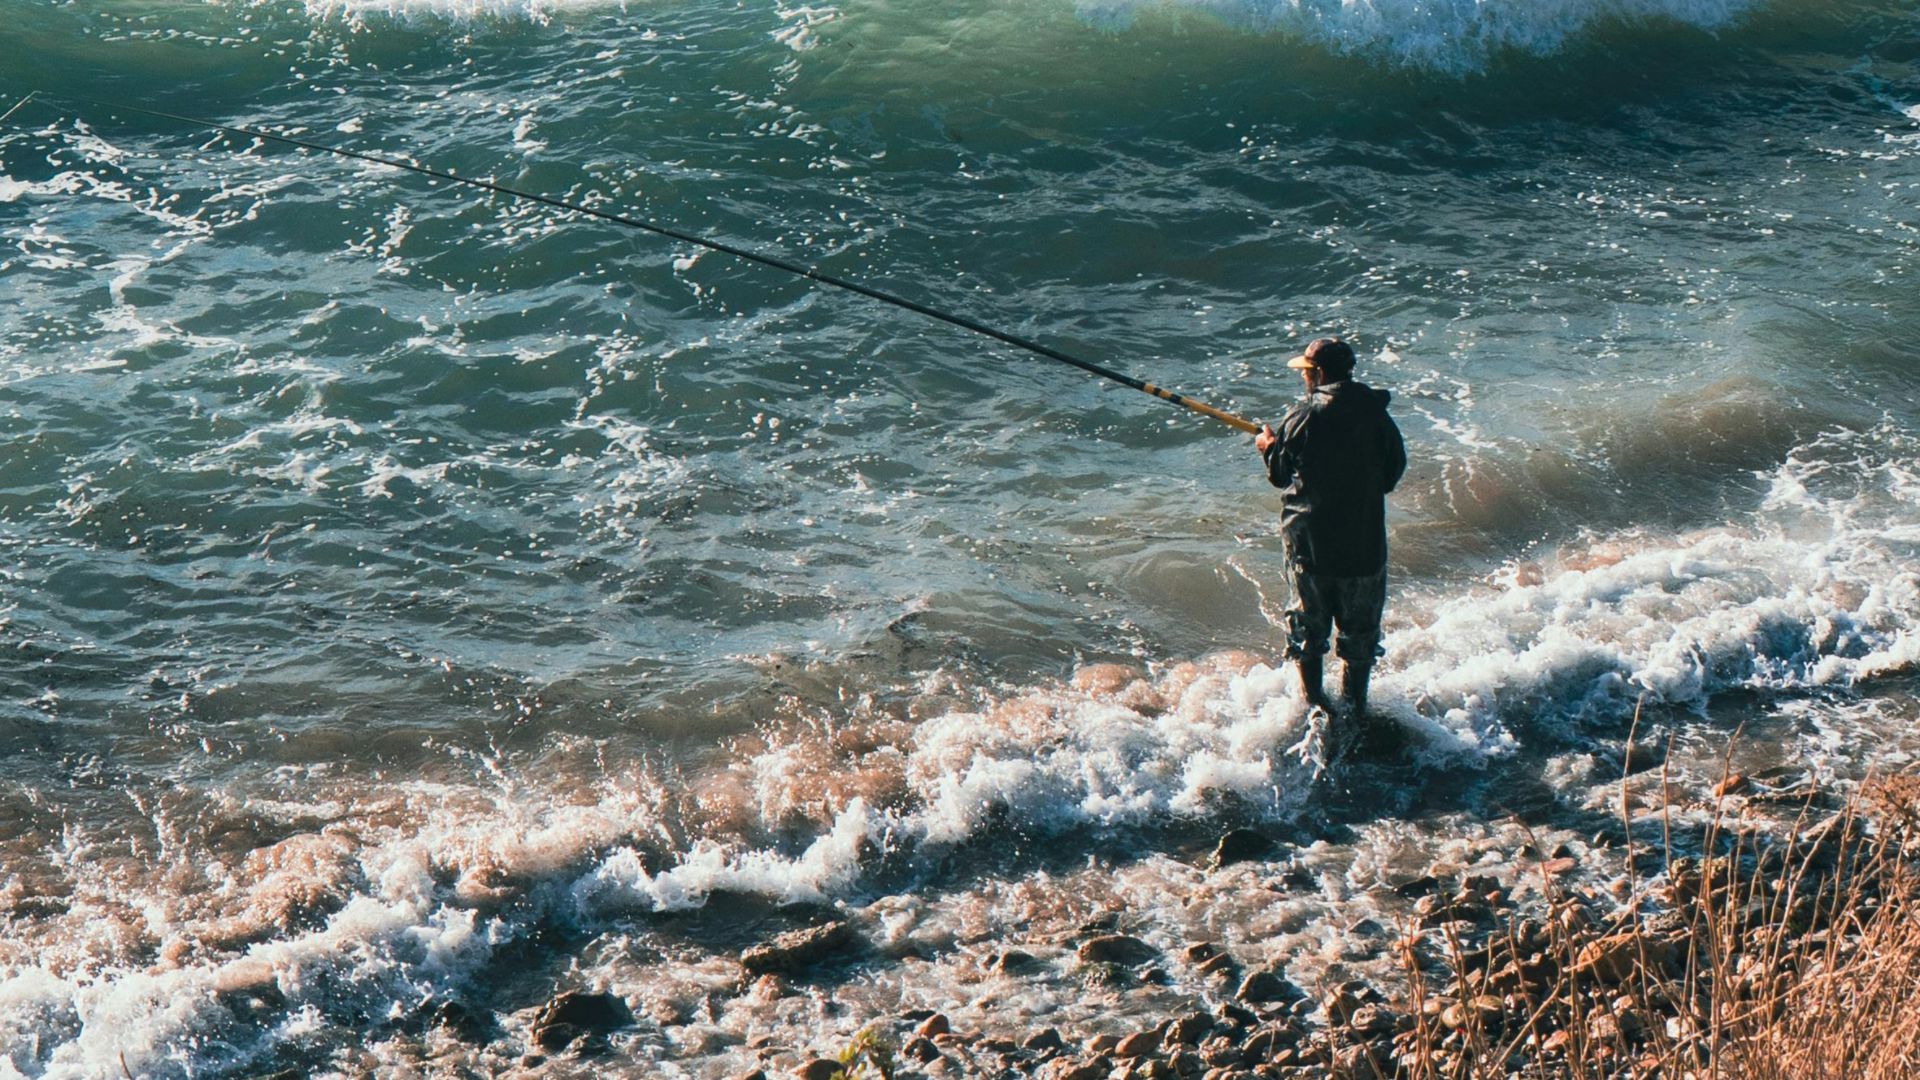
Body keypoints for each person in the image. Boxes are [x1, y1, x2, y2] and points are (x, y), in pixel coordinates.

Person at [1254, 337, 1406, 726]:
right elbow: (1392, 474)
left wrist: (1268, 446)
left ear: (1318, 374)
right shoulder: (1378, 417)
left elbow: (1280, 475)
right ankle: (1355, 710)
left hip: (1311, 546)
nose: (1304, 377)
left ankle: (1316, 707)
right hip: (1364, 547)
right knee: (1359, 639)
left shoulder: (1304, 415)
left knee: (1308, 632)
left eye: (1306, 371)